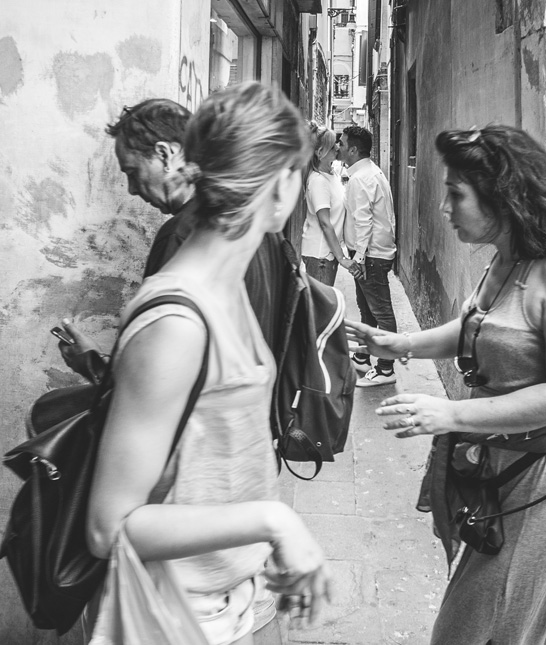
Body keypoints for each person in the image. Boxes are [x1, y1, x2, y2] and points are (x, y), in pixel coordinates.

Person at [85, 82, 333, 645]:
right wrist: (274, 522)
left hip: (236, 596)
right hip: (175, 613)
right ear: (280, 185)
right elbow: (110, 527)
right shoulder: (176, 322)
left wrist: (263, 551)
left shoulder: (230, 284)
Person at [344, 125, 546, 645]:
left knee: (473, 629)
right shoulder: (507, 256)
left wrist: (452, 416)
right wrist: (400, 345)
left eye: (456, 194)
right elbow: (475, 329)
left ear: (502, 196)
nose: (444, 208)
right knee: (528, 625)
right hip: (503, 466)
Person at [60, 100, 292, 387]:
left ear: (165, 154)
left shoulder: (182, 236)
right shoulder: (260, 224)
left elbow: (153, 380)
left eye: (132, 172)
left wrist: (92, 363)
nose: (132, 189)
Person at [338, 125, 399, 387]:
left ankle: (386, 369)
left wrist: (359, 260)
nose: (338, 147)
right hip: (372, 253)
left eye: (341, 143)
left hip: (370, 255)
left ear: (352, 149)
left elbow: (364, 223)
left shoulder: (361, 178)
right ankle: (363, 357)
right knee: (367, 309)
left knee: (381, 312)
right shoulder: (369, 172)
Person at [301, 123, 360, 286]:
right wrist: (342, 258)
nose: (337, 147)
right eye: (332, 144)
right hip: (320, 256)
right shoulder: (318, 181)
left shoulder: (332, 175)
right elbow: (325, 223)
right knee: (321, 310)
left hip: (327, 255)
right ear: (320, 153)